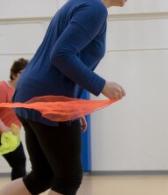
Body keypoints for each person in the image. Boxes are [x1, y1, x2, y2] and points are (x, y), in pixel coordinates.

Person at [0, 0, 127, 195]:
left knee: (42, 176)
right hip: (46, 100)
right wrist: (101, 85)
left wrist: (72, 106)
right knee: (68, 179)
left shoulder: (81, 4)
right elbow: (61, 55)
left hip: (33, 95)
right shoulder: (95, 8)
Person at [0, 58, 28, 180]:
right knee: (19, 163)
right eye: (23, 73)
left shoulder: (22, 91)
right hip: (3, 133)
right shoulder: (3, 87)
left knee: (19, 163)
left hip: (11, 135)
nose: (26, 76)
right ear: (14, 74)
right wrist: (3, 128)